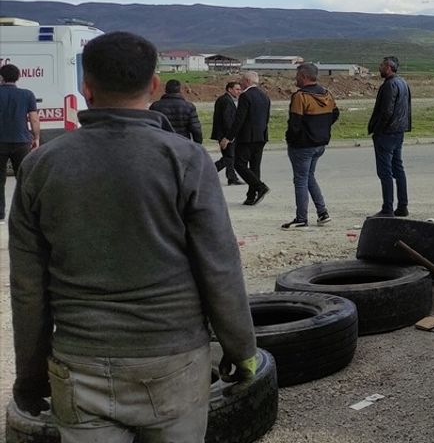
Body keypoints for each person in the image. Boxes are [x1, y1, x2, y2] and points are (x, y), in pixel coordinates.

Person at [8, 31, 257, 440]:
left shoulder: (39, 166)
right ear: (154, 85)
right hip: (173, 363)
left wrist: (30, 375)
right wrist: (240, 349)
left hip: (79, 366)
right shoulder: (185, 159)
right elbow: (220, 266)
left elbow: (28, 287)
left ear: (85, 88)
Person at [282, 63, 340, 230]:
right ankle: (322, 213)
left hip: (302, 145)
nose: (296, 79)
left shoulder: (300, 96)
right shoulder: (327, 93)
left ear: (304, 77)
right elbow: (335, 113)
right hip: (320, 143)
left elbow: (295, 123)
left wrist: (291, 139)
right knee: (309, 177)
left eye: (297, 76)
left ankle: (301, 218)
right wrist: (322, 128)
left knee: (300, 180)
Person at [368, 55, 411, 217]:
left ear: (388, 67)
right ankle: (402, 206)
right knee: (398, 169)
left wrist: (378, 130)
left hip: (386, 133)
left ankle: (387, 208)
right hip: (398, 131)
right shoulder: (403, 83)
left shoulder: (390, 85)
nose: (379, 68)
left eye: (381, 65)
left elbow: (386, 111)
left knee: (385, 172)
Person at [0, 63, 40, 221]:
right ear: (18, 77)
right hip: (21, 142)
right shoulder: (27, 94)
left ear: (1, 77)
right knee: (24, 178)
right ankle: (26, 213)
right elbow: (34, 119)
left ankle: (0, 213)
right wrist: (36, 138)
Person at [226, 70, 271, 205]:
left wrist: (229, 137)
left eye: (241, 80)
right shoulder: (265, 96)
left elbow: (239, 119)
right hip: (261, 136)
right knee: (255, 166)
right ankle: (251, 196)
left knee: (239, 164)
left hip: (247, 137)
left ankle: (260, 187)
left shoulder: (245, 96)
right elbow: (266, 118)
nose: (240, 82)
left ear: (247, 81)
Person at [148, 78, 203, 142]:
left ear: (166, 90)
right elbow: (196, 129)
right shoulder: (189, 107)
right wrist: (197, 144)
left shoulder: (155, 106)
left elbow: (151, 127)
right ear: (180, 90)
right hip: (183, 143)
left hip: (162, 143)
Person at [211, 80, 243, 185]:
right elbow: (227, 120)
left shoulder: (225, 99)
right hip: (225, 134)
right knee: (229, 157)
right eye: (237, 89)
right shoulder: (226, 101)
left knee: (230, 156)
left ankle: (232, 177)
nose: (239, 91)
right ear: (230, 89)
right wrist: (230, 136)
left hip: (223, 133)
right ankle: (209, 171)